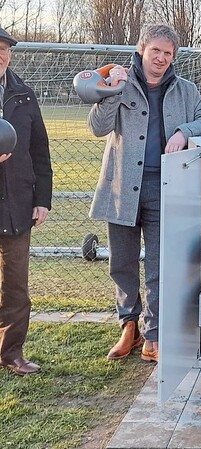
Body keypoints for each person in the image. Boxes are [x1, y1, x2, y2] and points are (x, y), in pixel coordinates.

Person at [89, 24, 201, 363]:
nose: (160, 58)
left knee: (160, 264)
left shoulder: (185, 90)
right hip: (121, 188)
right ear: (142, 50)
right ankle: (128, 327)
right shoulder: (119, 83)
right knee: (123, 262)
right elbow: (98, 126)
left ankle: (155, 333)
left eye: (167, 53)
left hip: (164, 187)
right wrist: (113, 90)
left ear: (173, 57)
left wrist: (184, 130)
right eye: (155, 51)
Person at [0, 27, 53, 375]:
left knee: (15, 286)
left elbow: (40, 151)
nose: (1, 56)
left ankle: (11, 353)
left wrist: (42, 199)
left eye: (5, 50)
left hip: (16, 205)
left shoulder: (23, 95)